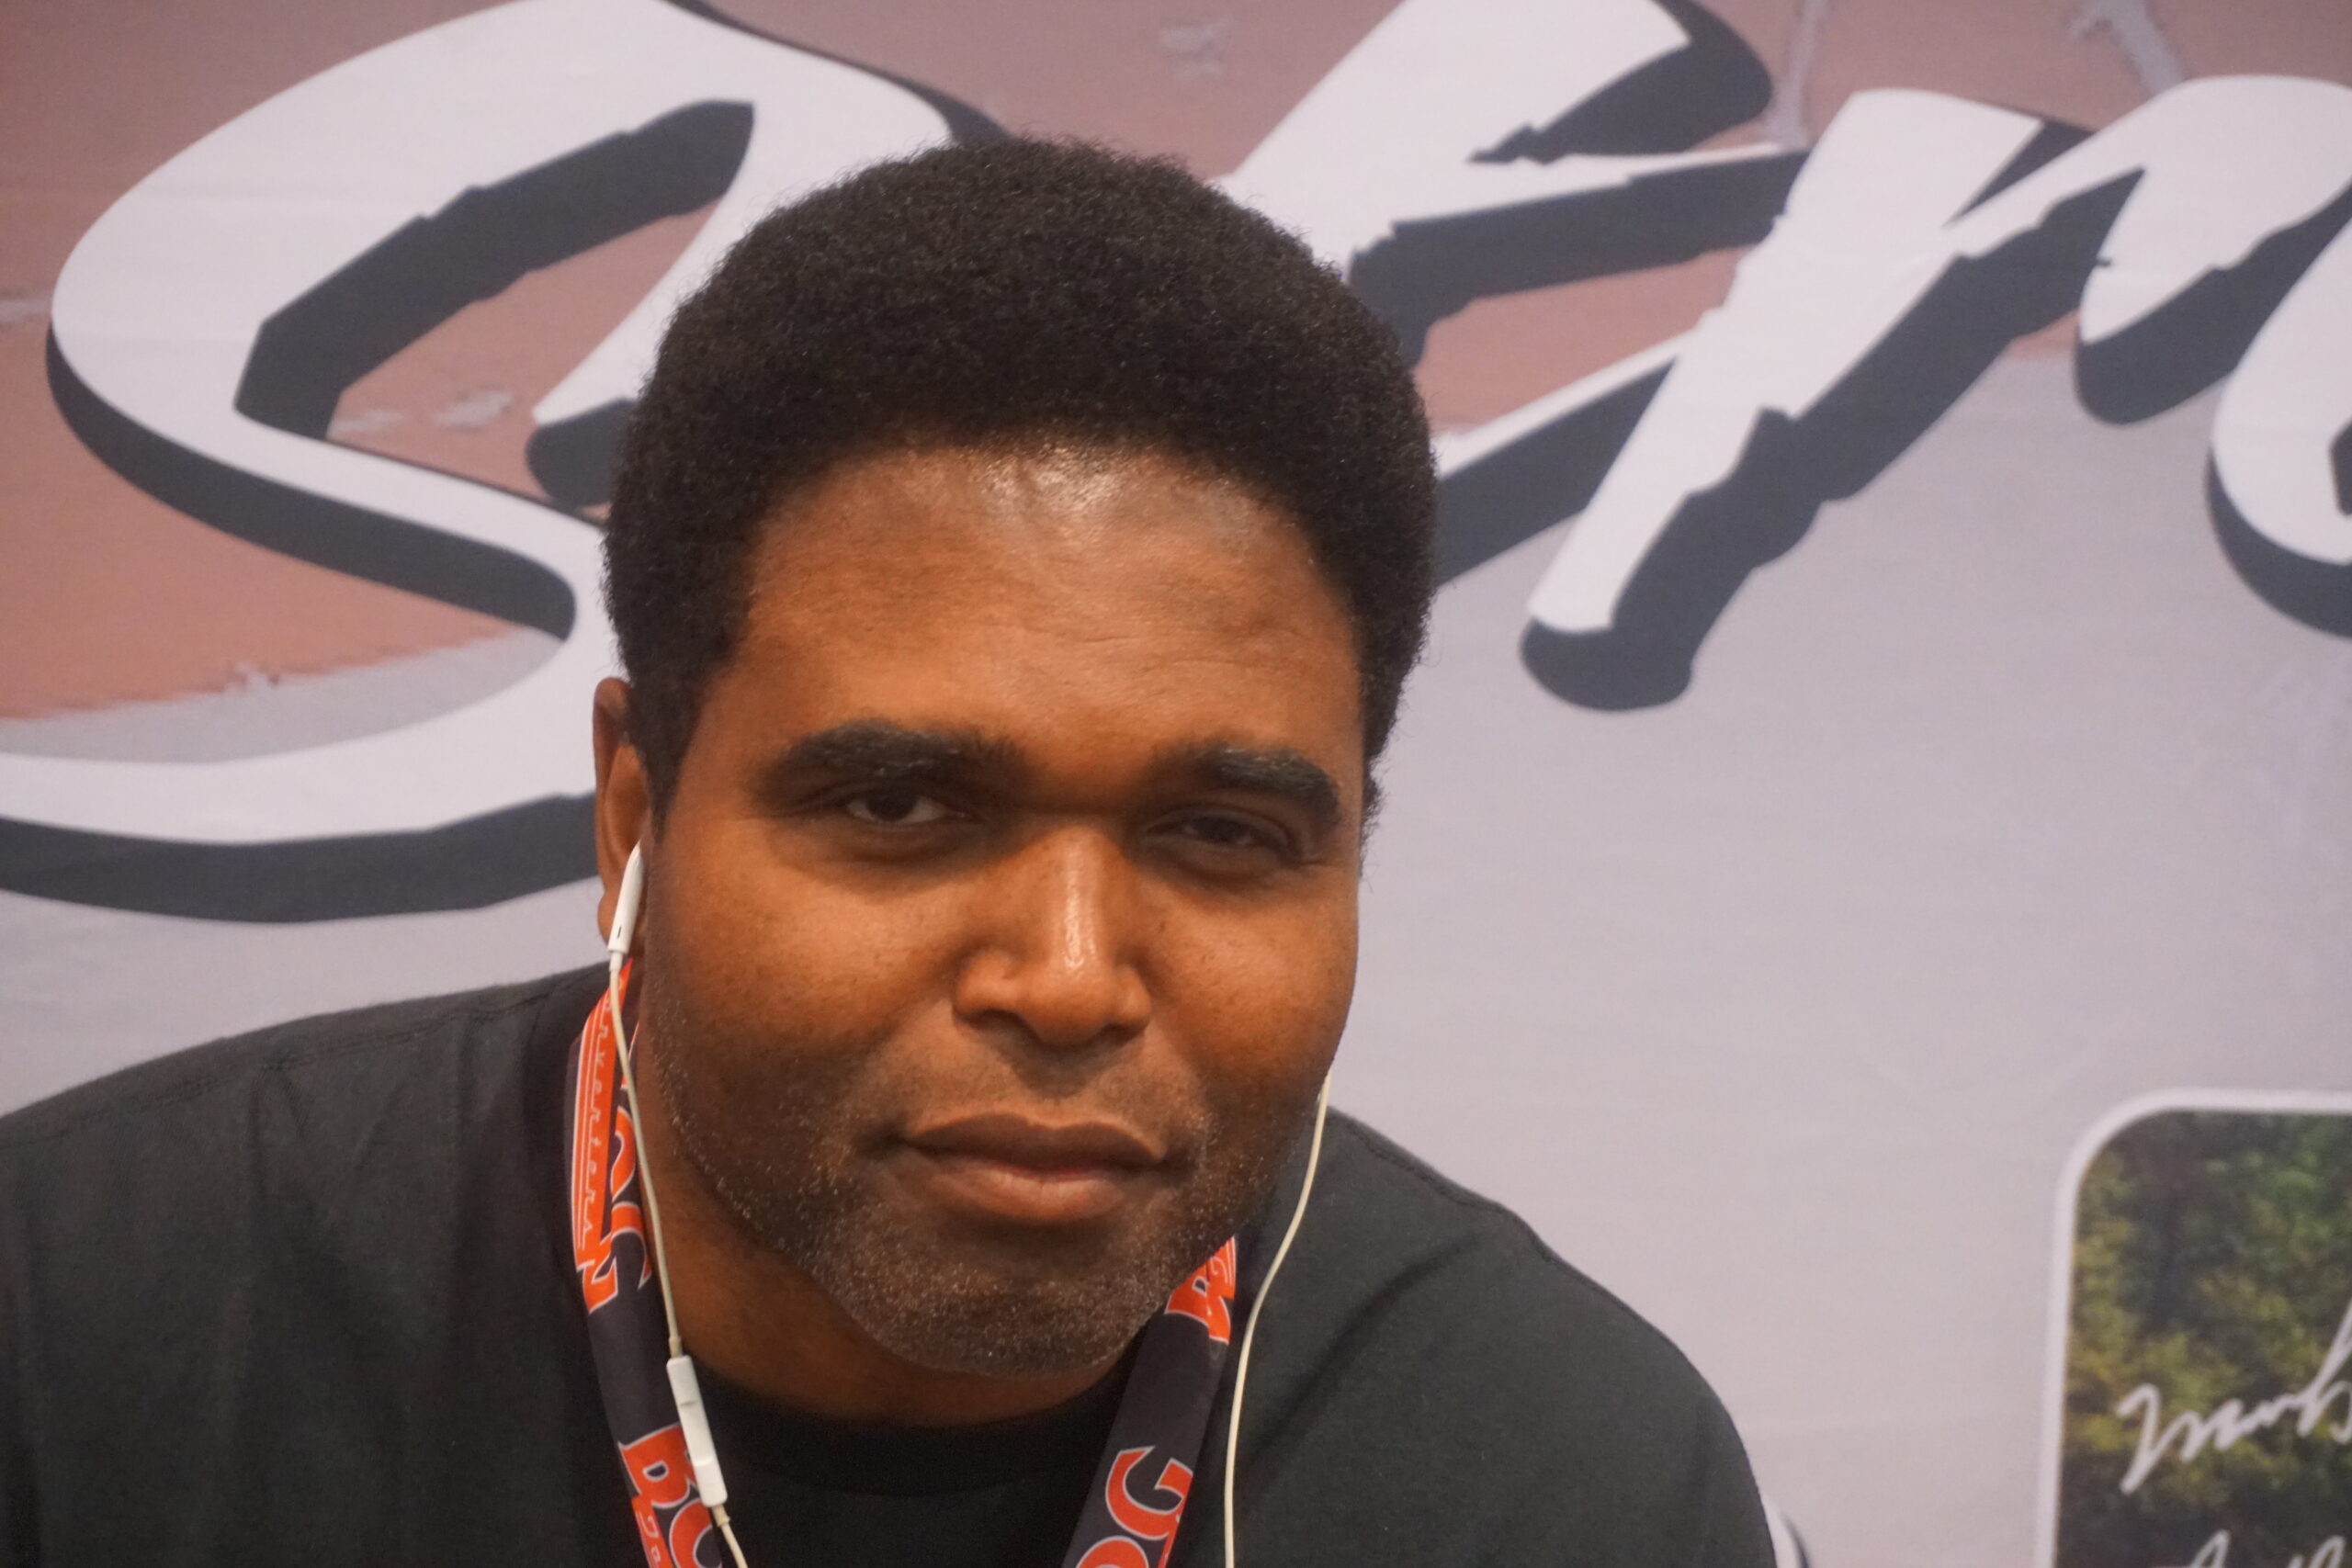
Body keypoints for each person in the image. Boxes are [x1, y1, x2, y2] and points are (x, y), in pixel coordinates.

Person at [0, 141, 1771, 1568]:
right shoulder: (77, 1329)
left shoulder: (1568, 1475)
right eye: (903, 808)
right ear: (634, 809)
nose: (1067, 979)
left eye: (1222, 834)